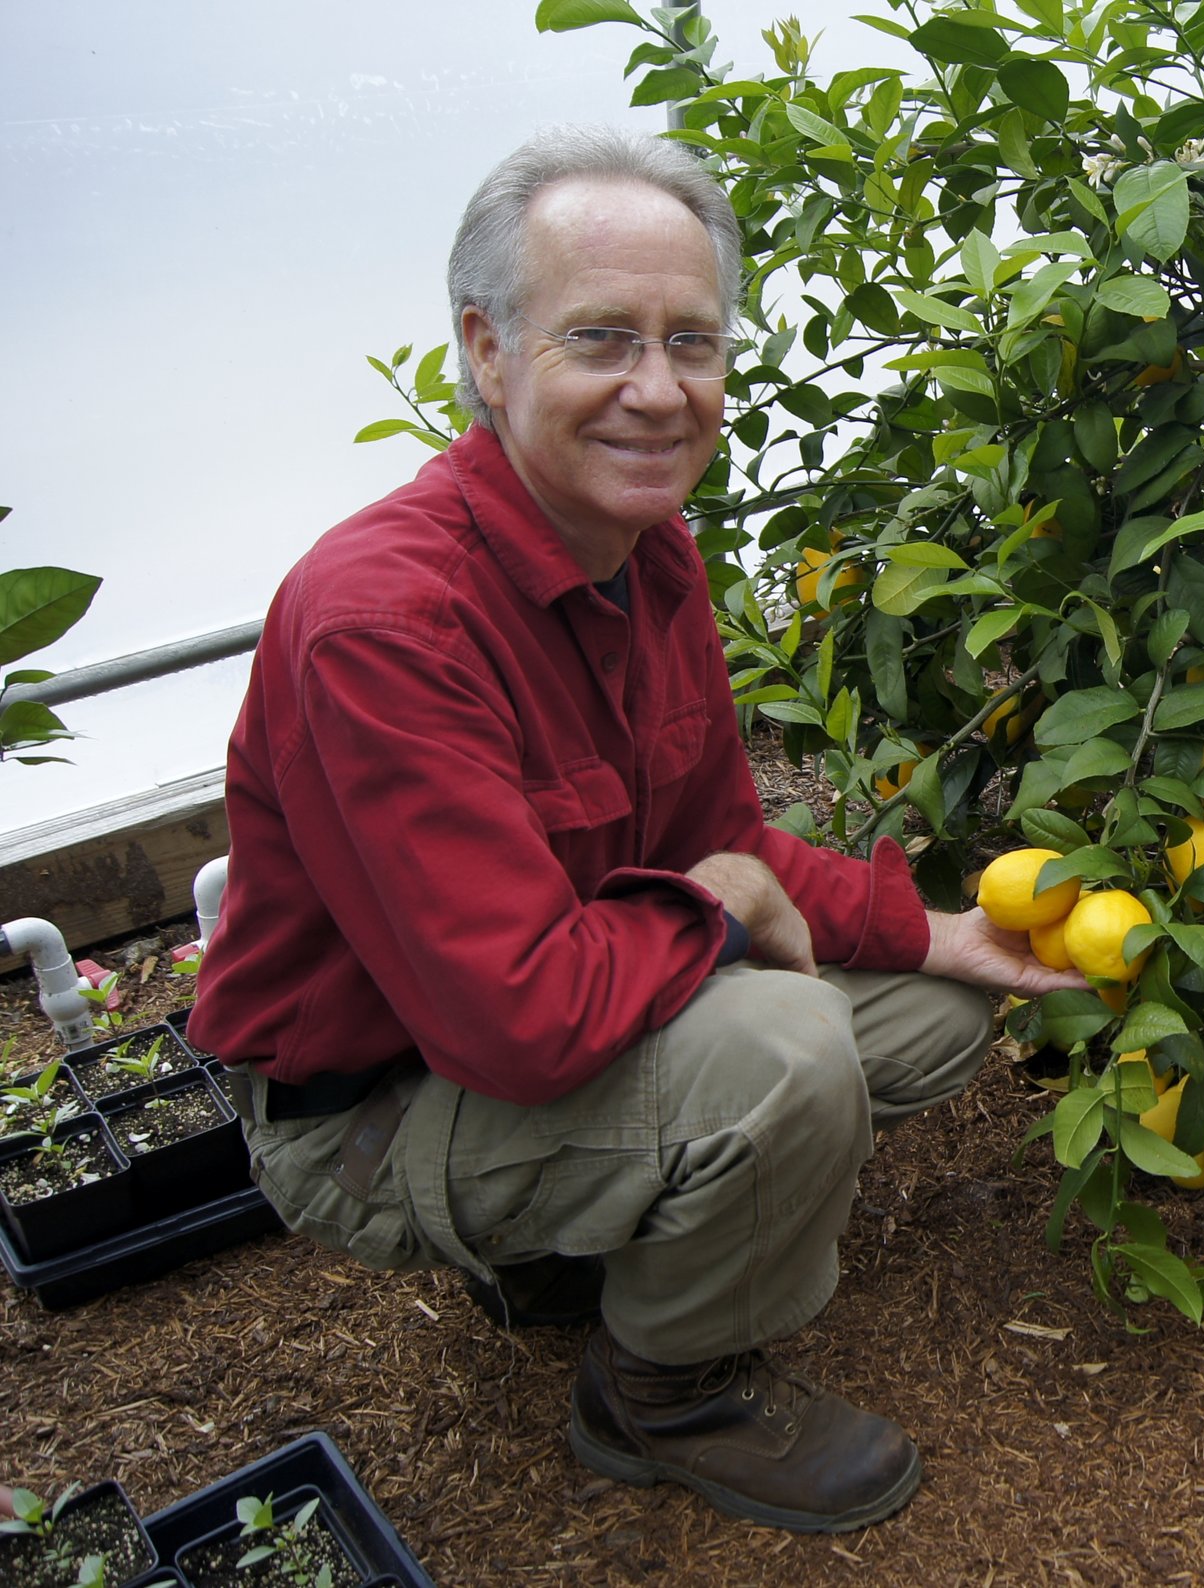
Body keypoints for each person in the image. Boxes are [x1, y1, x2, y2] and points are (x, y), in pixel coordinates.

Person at [192, 127, 1079, 1536]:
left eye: (695, 343)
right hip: (373, 1105)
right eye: (602, 339)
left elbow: (725, 833)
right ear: (488, 351)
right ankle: (659, 1391)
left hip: (542, 1016)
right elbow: (519, 1022)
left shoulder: (647, 550)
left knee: (929, 1005)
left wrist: (939, 930)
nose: (660, 391)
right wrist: (728, 904)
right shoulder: (387, 621)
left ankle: (582, 1244)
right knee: (785, 1054)